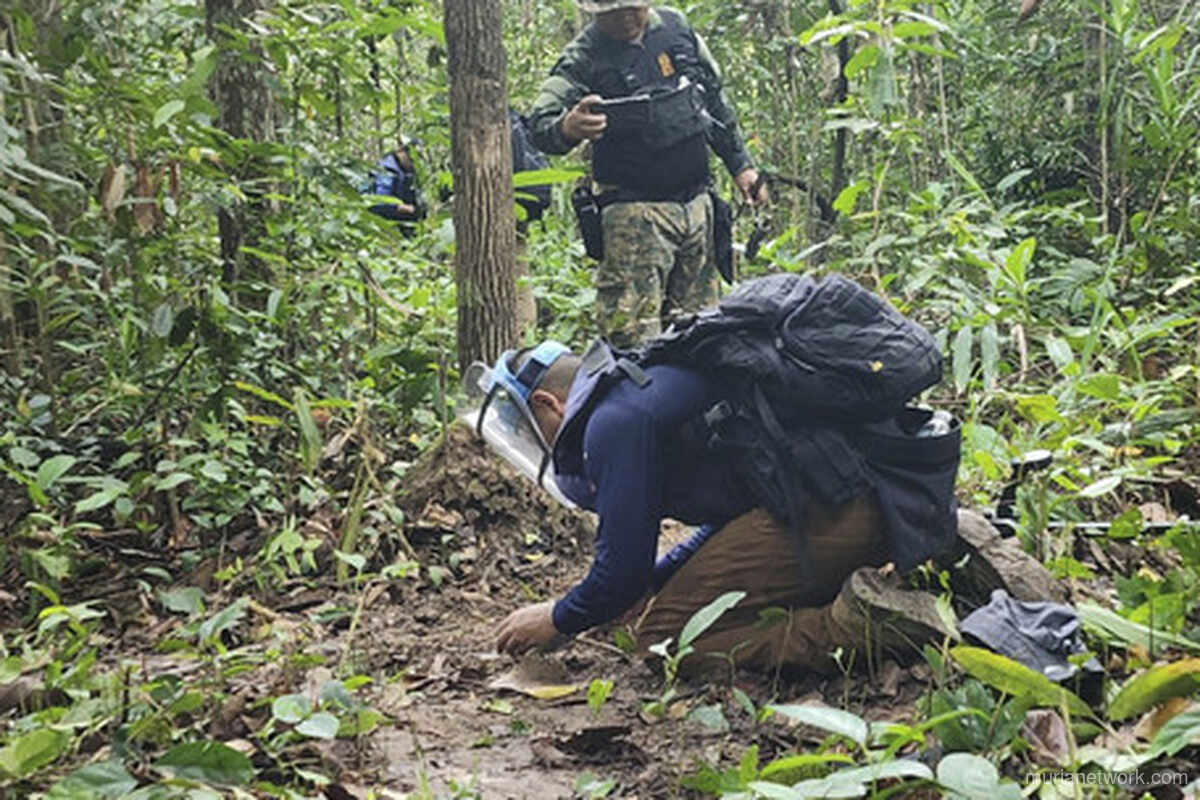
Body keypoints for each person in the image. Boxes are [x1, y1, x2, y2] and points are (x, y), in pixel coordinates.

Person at [474, 340, 976, 675]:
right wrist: (662, 578)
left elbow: (620, 574)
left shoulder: (612, 423)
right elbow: (730, 508)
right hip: (865, 495)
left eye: (526, 429)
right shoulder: (640, 387)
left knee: (665, 640)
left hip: (838, 507)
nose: (534, 444)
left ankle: (858, 626)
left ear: (548, 403)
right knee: (663, 604)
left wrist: (558, 618)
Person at [527, 0, 769, 347]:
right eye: (615, 10)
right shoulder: (583, 56)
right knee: (634, 343)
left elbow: (713, 100)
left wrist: (741, 166)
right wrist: (568, 128)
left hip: (697, 208)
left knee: (702, 333)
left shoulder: (675, 29)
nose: (627, 16)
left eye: (633, 7)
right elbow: (539, 124)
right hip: (634, 219)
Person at [364, 137, 424, 235]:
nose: (412, 162)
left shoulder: (407, 172)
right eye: (410, 158)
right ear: (400, 152)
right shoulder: (387, 169)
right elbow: (380, 202)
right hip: (379, 214)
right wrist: (408, 209)